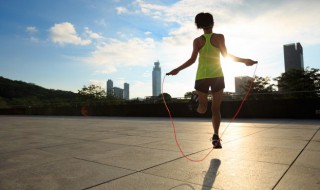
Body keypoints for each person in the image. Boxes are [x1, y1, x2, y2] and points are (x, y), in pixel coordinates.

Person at [166, 12, 257, 148]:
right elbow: (226, 56)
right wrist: (245, 61)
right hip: (216, 77)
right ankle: (215, 133)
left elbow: (192, 60)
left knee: (203, 109)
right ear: (213, 23)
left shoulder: (198, 41)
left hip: (203, 77)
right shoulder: (219, 37)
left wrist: (177, 70)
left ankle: (215, 136)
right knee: (215, 109)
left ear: (199, 26)